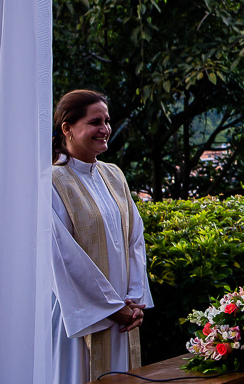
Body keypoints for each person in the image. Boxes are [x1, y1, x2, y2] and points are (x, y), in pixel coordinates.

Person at [50, 90, 152, 383]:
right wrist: (111, 307)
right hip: (79, 317)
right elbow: (62, 254)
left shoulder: (114, 175)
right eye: (95, 122)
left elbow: (135, 239)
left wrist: (133, 300)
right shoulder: (52, 182)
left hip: (122, 313)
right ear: (67, 128)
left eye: (107, 121)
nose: (105, 129)